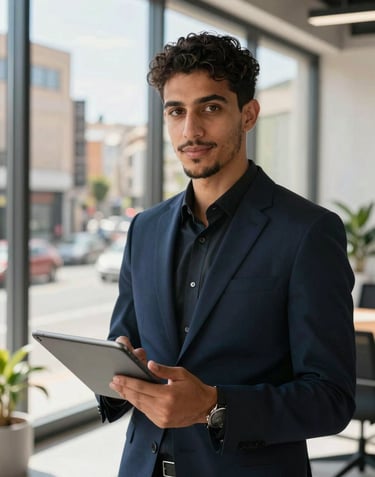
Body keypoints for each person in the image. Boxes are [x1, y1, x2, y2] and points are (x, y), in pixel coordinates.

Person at [97, 32, 355, 477]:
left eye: (210, 108)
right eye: (176, 111)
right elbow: (123, 345)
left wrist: (214, 406)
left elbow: (331, 398)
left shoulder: (308, 232)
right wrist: (118, 373)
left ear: (248, 114)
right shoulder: (144, 228)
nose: (190, 130)